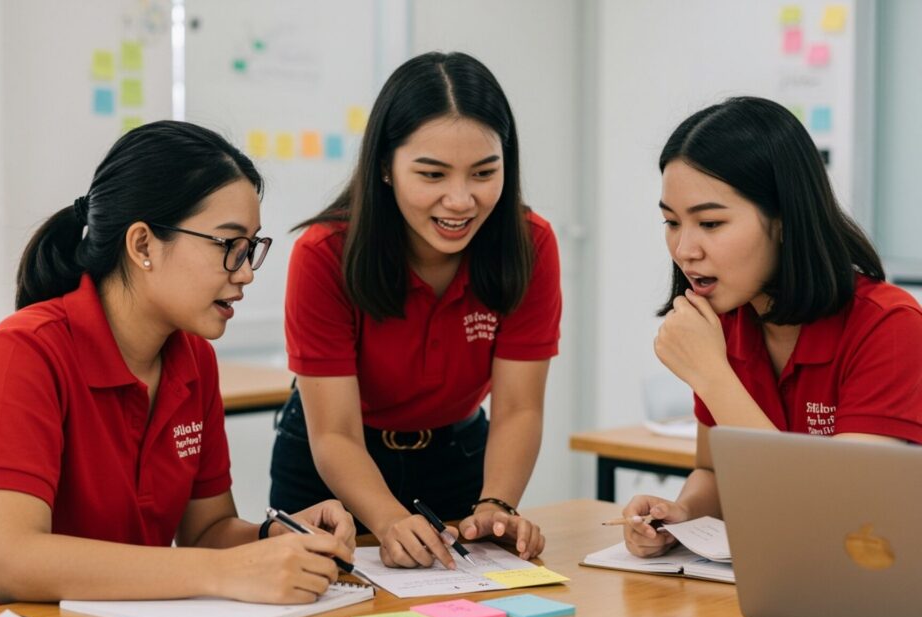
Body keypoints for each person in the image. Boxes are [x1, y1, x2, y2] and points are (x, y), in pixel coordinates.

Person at [0, 121, 355, 615]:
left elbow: (207, 531)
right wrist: (225, 572)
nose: (247, 271)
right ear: (143, 245)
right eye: (228, 245)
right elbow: (11, 563)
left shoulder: (194, 359)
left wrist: (272, 536)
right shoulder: (25, 351)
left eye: (252, 246)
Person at [270, 52, 562, 570]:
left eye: (483, 173)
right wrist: (385, 519)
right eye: (432, 174)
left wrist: (496, 506)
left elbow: (519, 407)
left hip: (457, 457)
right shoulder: (325, 254)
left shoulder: (528, 244)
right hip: (334, 465)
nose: (460, 200)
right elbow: (334, 432)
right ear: (385, 166)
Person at [624, 97, 922, 557]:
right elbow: (718, 474)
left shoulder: (890, 327)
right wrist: (682, 516)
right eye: (671, 222)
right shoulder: (725, 319)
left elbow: (839, 515)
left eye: (710, 222)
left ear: (783, 220)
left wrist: (712, 375)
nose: (684, 249)